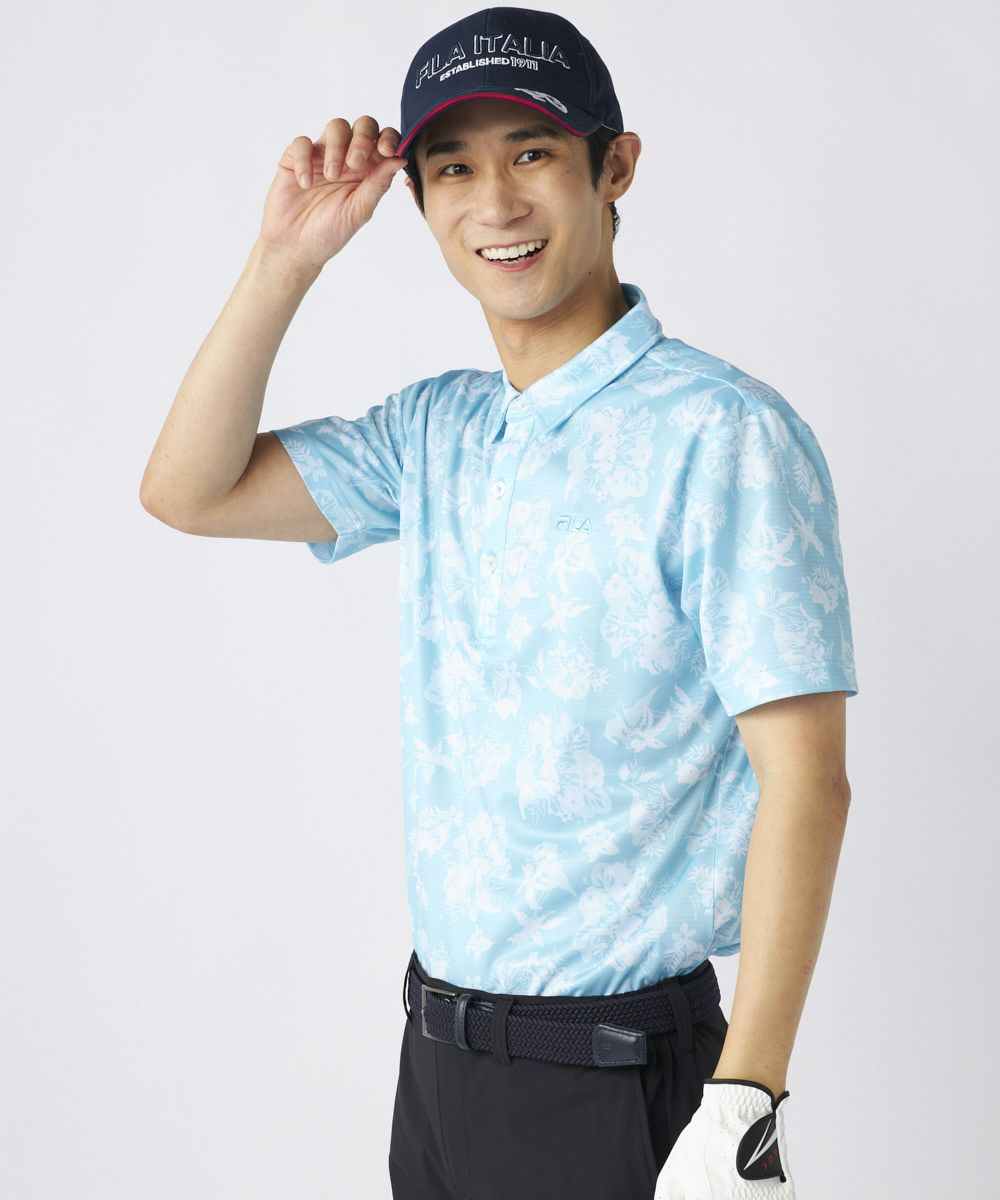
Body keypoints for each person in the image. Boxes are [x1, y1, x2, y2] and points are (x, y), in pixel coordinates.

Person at [140, 7, 859, 1198]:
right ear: (419, 200)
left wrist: (747, 1097)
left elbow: (806, 778)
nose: (496, 203)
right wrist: (284, 260)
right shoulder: (437, 431)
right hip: (438, 1070)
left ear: (613, 166)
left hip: (616, 1078)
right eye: (453, 168)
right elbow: (188, 489)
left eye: (532, 153)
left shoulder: (721, 433)